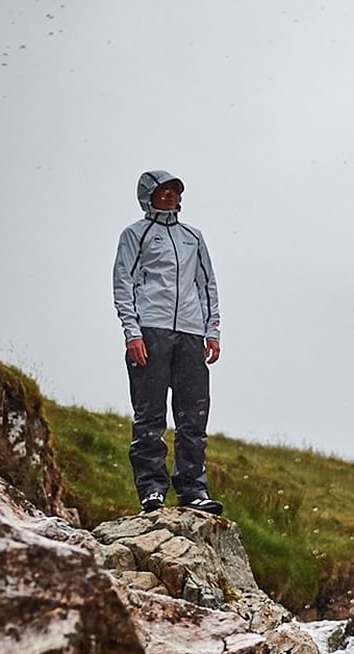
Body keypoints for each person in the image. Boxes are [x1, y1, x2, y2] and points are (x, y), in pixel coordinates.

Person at [112, 169, 225, 514]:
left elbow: (207, 285)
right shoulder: (136, 234)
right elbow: (122, 283)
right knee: (150, 415)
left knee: (193, 416)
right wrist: (132, 332)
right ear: (148, 196)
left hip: (191, 334)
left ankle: (193, 491)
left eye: (175, 192)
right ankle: (151, 489)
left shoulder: (194, 236)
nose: (171, 197)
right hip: (151, 330)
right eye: (164, 192)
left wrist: (213, 330)